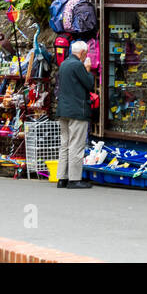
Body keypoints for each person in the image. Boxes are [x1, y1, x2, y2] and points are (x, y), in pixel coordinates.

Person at [55, 41, 95, 189]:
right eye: (86, 53)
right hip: (77, 110)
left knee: (64, 144)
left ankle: (62, 178)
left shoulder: (64, 64)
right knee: (76, 145)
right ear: (83, 52)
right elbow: (89, 84)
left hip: (63, 110)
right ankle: (74, 179)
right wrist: (88, 69)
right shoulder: (78, 65)